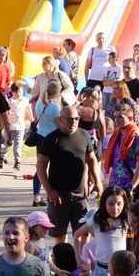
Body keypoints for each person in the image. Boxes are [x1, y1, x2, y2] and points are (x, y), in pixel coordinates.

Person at [37, 103, 98, 243]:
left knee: (84, 231)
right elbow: (40, 166)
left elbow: (92, 159)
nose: (73, 122)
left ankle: (82, 261)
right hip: (58, 195)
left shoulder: (84, 135)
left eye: (76, 119)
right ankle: (61, 261)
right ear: (60, 120)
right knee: (60, 233)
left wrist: (97, 183)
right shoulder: (52, 138)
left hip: (80, 194)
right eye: (69, 119)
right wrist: (49, 191)